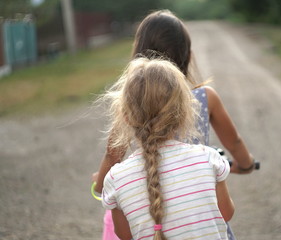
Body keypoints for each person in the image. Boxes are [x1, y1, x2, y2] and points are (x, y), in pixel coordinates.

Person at [93, 9, 255, 240]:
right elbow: (235, 141)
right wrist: (246, 164)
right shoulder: (204, 98)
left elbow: (112, 155)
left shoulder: (130, 103)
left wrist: (100, 187)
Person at [101, 57, 235, 240]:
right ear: (183, 112)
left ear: (126, 116)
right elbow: (225, 213)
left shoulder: (116, 179)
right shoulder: (209, 159)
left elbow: (124, 235)